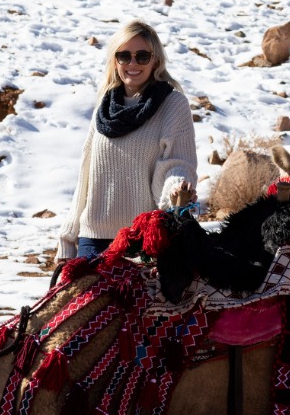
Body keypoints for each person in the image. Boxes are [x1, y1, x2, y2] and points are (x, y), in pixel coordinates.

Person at [59, 20, 197, 259]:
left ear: (155, 60)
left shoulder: (172, 104)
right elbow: (86, 176)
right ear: (115, 61)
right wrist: (68, 238)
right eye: (124, 56)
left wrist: (177, 189)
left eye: (142, 56)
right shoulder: (105, 105)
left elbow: (177, 163)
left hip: (143, 240)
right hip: (92, 240)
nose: (133, 63)